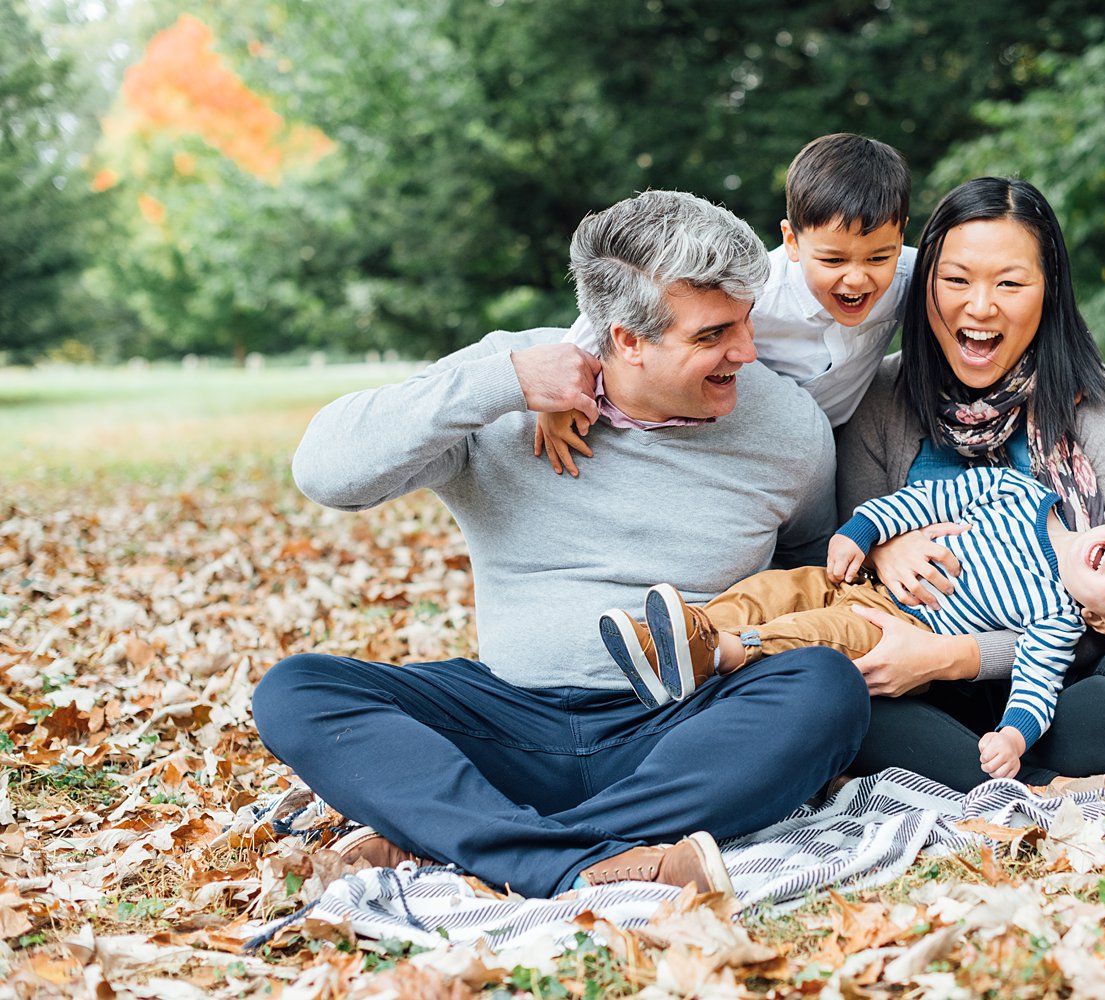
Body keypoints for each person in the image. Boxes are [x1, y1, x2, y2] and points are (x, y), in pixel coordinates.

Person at [250, 190, 871, 900]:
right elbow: (325, 472)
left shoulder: (788, 427)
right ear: (626, 340)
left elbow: (806, 572)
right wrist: (504, 382)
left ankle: (489, 841)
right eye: (712, 336)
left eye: (745, 321)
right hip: (506, 722)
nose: (747, 351)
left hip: (680, 733)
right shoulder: (510, 384)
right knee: (297, 690)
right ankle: (586, 856)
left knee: (825, 686)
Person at [833, 176, 1105, 790]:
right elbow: (843, 558)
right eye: (957, 280)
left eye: (1011, 283)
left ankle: (991, 769)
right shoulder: (881, 400)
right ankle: (1028, 782)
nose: (981, 306)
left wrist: (955, 657)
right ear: (925, 286)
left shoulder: (1103, 408)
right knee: (830, 689)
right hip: (906, 675)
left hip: (1050, 688)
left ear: (1049, 291)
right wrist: (884, 550)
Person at [599, 466, 1105, 780]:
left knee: (825, 636)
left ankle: (725, 651)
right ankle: (678, 635)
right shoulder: (1021, 492)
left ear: (1099, 620)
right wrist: (863, 532)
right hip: (862, 580)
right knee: (776, 588)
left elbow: (1037, 687)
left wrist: (1014, 739)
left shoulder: (1054, 617)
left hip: (896, 634)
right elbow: (925, 502)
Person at [535, 133, 916, 475]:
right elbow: (607, 311)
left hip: (838, 440)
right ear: (792, 242)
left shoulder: (913, 276)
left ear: (900, 239)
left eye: (879, 259)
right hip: (748, 440)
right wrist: (558, 398)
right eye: (833, 260)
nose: (856, 278)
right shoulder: (753, 289)